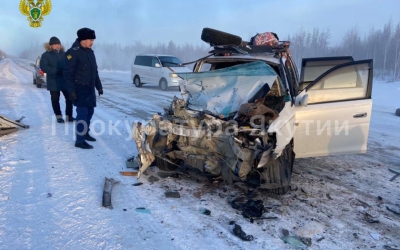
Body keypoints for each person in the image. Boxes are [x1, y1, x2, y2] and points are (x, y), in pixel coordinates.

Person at [64, 28, 103, 149]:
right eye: (90, 39)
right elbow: (67, 73)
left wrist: (99, 86)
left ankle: (85, 133)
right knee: (82, 114)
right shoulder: (73, 53)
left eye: (93, 40)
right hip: (79, 89)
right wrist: (71, 91)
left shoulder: (90, 52)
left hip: (90, 88)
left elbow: (94, 71)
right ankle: (79, 140)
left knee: (90, 112)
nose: (92, 42)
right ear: (82, 40)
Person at [40, 36, 74, 123]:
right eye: (55, 45)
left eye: (58, 44)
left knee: (70, 98)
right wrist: (56, 71)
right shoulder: (45, 55)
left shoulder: (65, 54)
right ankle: (59, 116)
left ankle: (69, 116)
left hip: (65, 80)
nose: (57, 46)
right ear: (50, 46)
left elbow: (71, 62)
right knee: (55, 100)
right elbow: (43, 67)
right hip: (53, 81)